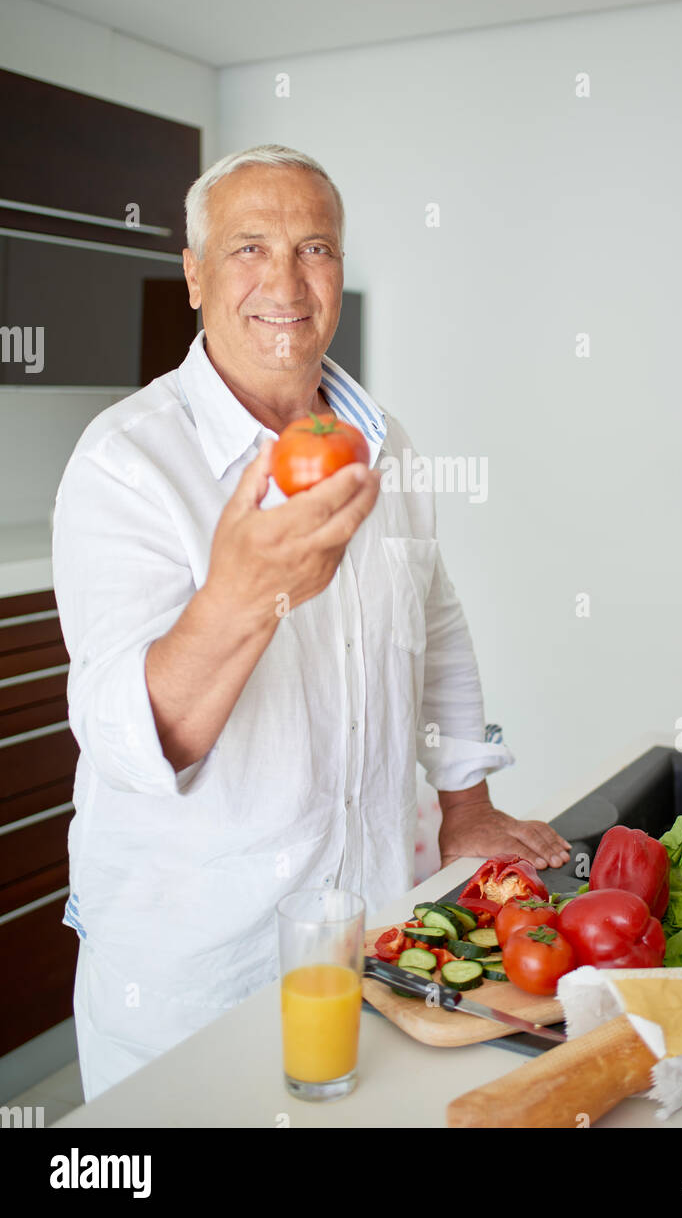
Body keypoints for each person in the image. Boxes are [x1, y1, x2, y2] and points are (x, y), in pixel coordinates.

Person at [52, 144, 571, 1101]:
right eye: (248, 247)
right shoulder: (125, 462)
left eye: (315, 248)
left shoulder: (381, 441)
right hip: (196, 965)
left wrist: (465, 802)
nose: (284, 281)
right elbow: (135, 740)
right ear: (197, 277)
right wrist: (238, 596)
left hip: (366, 933)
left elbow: (438, 623)